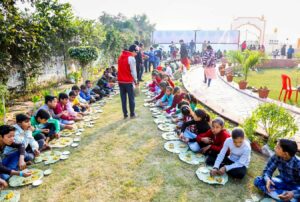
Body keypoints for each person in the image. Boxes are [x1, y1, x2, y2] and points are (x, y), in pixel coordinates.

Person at [117, 44, 138, 119]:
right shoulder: (131, 58)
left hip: (120, 81)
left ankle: (125, 114)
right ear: (132, 51)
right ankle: (132, 114)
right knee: (131, 98)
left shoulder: (120, 56)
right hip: (128, 81)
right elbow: (133, 71)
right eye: (136, 52)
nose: (136, 54)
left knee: (123, 99)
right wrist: (136, 80)